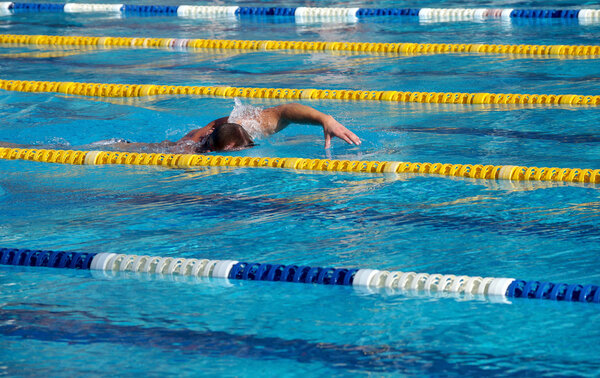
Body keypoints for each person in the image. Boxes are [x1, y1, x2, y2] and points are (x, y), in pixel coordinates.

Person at [0, 103, 361, 154]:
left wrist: (325, 120)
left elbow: (285, 110)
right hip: (123, 146)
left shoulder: (251, 126)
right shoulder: (190, 149)